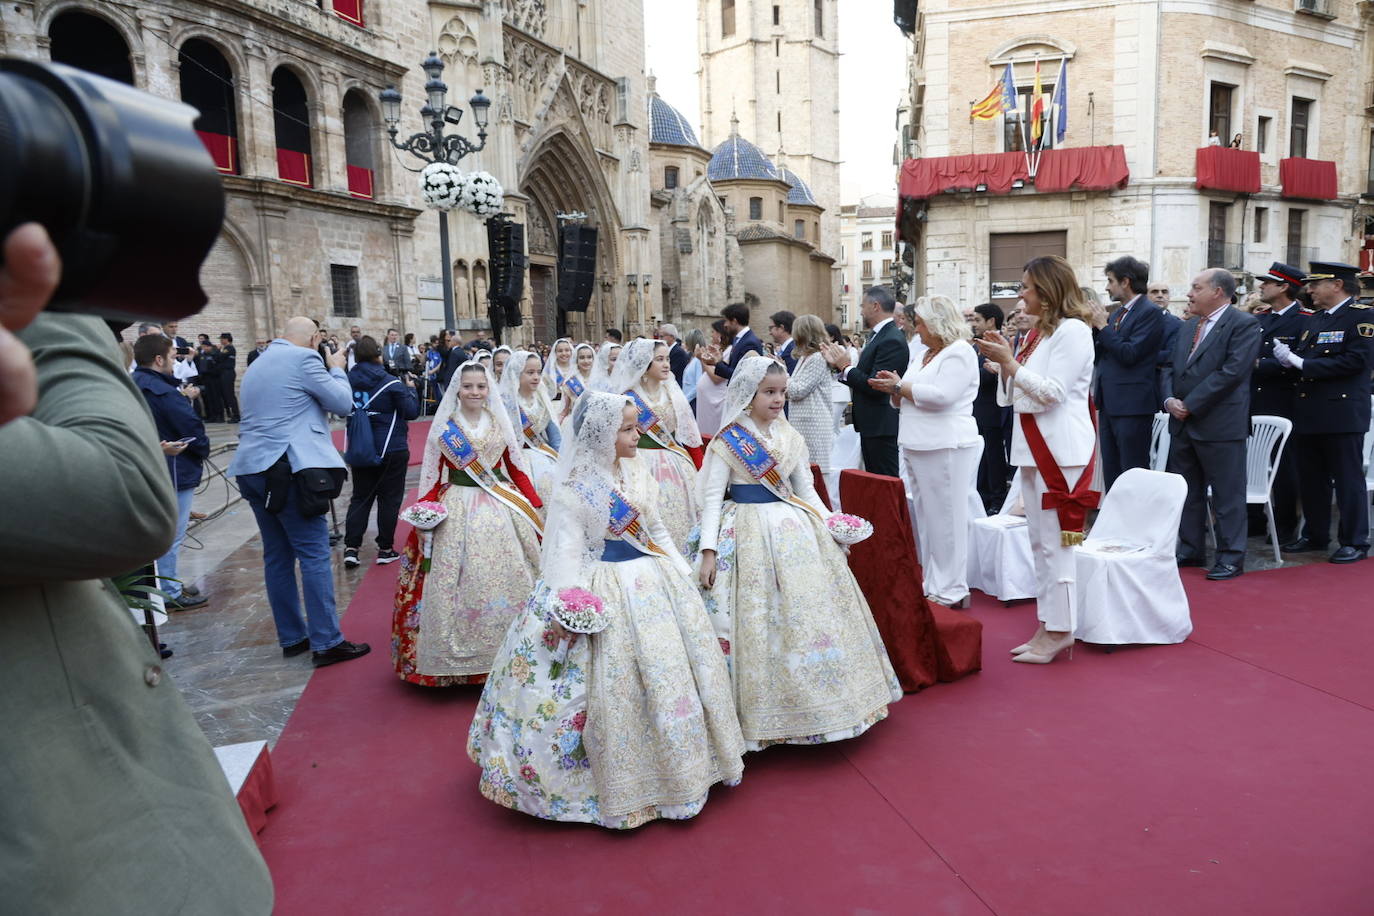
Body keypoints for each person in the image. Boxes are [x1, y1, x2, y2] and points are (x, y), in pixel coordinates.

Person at [0, 223, 275, 912]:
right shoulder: (63, 326)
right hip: (70, 857)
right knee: (176, 535)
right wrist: (55, 310)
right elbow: (126, 497)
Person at [467, 392, 745, 827]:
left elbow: (656, 531)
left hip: (653, 584)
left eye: (636, 427)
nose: (638, 435)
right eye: (628, 429)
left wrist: (681, 574)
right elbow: (564, 557)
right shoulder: (577, 489)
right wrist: (569, 606)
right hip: (600, 587)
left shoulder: (638, 470)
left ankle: (681, 770)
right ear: (601, 435)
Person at [696, 356, 902, 748]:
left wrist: (832, 526)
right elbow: (710, 498)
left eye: (781, 393)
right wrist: (708, 550)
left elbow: (806, 492)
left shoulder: (791, 436)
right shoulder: (728, 441)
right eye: (769, 393)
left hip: (795, 532)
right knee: (756, 621)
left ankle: (826, 708)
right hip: (746, 532)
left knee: (808, 619)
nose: (777, 400)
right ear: (748, 394)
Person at [227, 317, 371, 667]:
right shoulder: (304, 359)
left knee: (277, 555)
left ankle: (292, 637)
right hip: (286, 470)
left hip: (252, 468)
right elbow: (341, 403)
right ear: (315, 338)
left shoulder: (258, 364)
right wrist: (336, 368)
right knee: (314, 553)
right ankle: (326, 641)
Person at [974, 256, 1096, 665]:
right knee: (1039, 544)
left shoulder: (1074, 332)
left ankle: (1061, 631)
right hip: (1031, 450)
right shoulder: (1041, 336)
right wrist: (1006, 367)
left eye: (1025, 287)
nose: (1020, 295)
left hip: (1059, 453)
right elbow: (1014, 397)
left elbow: (1054, 394)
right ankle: (1048, 625)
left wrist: (1011, 366)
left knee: (1057, 547)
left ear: (1046, 290)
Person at [392, 361, 544, 686]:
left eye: (480, 386)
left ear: (488, 390)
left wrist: (534, 500)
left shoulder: (499, 422)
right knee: (453, 580)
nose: (475, 392)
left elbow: (515, 468)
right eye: (468, 386)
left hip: (500, 505)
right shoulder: (446, 427)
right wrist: (426, 508)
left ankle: (511, 652)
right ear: (457, 390)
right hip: (458, 504)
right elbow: (432, 476)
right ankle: (456, 662)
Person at [873, 296, 981, 607]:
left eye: (919, 322)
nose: (915, 328)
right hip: (917, 442)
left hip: (946, 444)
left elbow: (942, 396)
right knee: (927, 518)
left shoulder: (959, 352)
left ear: (936, 324)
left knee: (947, 519)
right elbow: (907, 394)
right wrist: (893, 390)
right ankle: (934, 581)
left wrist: (898, 387)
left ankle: (953, 588)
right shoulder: (924, 354)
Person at [1162, 269, 1262, 580]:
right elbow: (1167, 366)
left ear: (1218, 292)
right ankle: (1190, 549)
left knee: (1227, 495)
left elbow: (1232, 373)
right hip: (1181, 424)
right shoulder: (1188, 325)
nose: (1189, 293)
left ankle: (1231, 556)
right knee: (1186, 493)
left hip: (1220, 425)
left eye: (1196, 287)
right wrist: (1168, 400)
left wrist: (1190, 404)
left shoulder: (1243, 324)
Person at [1274, 262, 1373, 563]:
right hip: (1309, 409)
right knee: (1311, 479)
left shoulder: (1363, 317)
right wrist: (1288, 361)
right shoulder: (1315, 320)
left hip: (1341, 412)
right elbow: (1303, 358)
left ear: (1337, 285)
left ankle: (1355, 541)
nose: (1310, 290)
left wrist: (1301, 363)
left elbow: (1357, 361)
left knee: (1347, 479)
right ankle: (1315, 535)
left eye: (1316, 284)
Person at [133, 333, 211, 609]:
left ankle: (169, 584)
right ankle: (169, 592)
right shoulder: (162, 391)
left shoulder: (133, 384)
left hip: (148, 467)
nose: (174, 361)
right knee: (173, 534)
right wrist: (201, 448)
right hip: (172, 468)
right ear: (158, 359)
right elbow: (190, 428)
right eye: (171, 357)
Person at [607, 338, 704, 554]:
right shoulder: (627, 397)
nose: (666, 364)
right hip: (636, 462)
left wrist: (701, 471)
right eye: (659, 359)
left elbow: (690, 436)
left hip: (674, 465)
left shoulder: (673, 393)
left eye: (667, 359)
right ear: (644, 364)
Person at [343, 335, 420, 569]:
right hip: (391, 447)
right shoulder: (391, 383)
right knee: (389, 499)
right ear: (379, 355)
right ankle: (385, 549)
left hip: (361, 447)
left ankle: (351, 548)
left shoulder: (346, 381)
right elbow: (411, 412)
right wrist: (411, 390)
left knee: (360, 497)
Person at [822, 286, 909, 477]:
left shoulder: (891, 338)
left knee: (885, 480)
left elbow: (876, 385)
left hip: (881, 423)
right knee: (875, 479)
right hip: (872, 423)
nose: (860, 311)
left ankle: (889, 509)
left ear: (875, 306)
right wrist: (839, 367)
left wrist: (846, 367)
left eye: (862, 306)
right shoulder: (879, 335)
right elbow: (863, 375)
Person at [1248, 262, 1306, 542]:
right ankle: (1254, 520)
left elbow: (1298, 363)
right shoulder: (1260, 318)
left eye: (1268, 282)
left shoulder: (1305, 319)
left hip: (1285, 401)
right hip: (1255, 399)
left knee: (1284, 468)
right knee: (1253, 463)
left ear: (1284, 287)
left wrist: (1257, 363)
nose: (1262, 286)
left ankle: (1284, 526)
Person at [1096, 256, 1165, 490]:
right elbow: (1102, 353)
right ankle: (1116, 522)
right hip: (1109, 403)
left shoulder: (1150, 312)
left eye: (1110, 281)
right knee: (1112, 471)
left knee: (1132, 471)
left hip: (1132, 405)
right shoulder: (1116, 314)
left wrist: (1102, 327)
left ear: (1125, 282)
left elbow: (1130, 354)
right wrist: (1093, 328)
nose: (1107, 287)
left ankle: (1137, 523)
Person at [501, 349, 562, 501]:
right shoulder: (505, 403)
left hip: (543, 456)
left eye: (538, 372)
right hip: (515, 461)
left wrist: (561, 461)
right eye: (530, 372)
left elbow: (555, 438)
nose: (536, 377)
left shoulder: (541, 399)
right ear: (516, 373)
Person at [970, 303, 1012, 511]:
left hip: (994, 410)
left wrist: (969, 375)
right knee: (982, 460)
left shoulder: (997, 343)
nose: (974, 324)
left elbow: (989, 373)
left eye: (977, 319)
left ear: (991, 321)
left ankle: (997, 500)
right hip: (978, 410)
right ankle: (983, 498)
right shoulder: (977, 344)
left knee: (994, 458)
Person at [785, 314, 835, 475]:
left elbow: (798, 391)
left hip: (814, 424)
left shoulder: (817, 358)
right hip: (803, 423)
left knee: (815, 473)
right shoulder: (805, 357)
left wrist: (783, 372)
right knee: (802, 471)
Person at [698, 302, 763, 381]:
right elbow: (734, 368)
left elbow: (741, 375)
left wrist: (717, 363)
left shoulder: (749, 342)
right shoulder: (740, 339)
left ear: (734, 321)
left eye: (726, 321)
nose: (725, 325)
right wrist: (718, 360)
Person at [694, 319, 732, 436]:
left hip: (717, 402)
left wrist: (702, 358)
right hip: (709, 401)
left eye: (713, 332)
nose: (711, 335)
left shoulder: (730, 351)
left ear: (720, 333)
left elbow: (717, 378)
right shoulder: (721, 350)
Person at [680, 328, 707, 412]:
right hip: (689, 400)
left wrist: (686, 399)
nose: (685, 343)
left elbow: (698, 384)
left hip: (693, 402)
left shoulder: (698, 360)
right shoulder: (692, 358)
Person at [541, 337, 575, 401]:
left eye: (567, 350)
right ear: (555, 353)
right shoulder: (549, 371)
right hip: (555, 404)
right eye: (560, 351)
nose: (564, 353)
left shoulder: (577, 369)